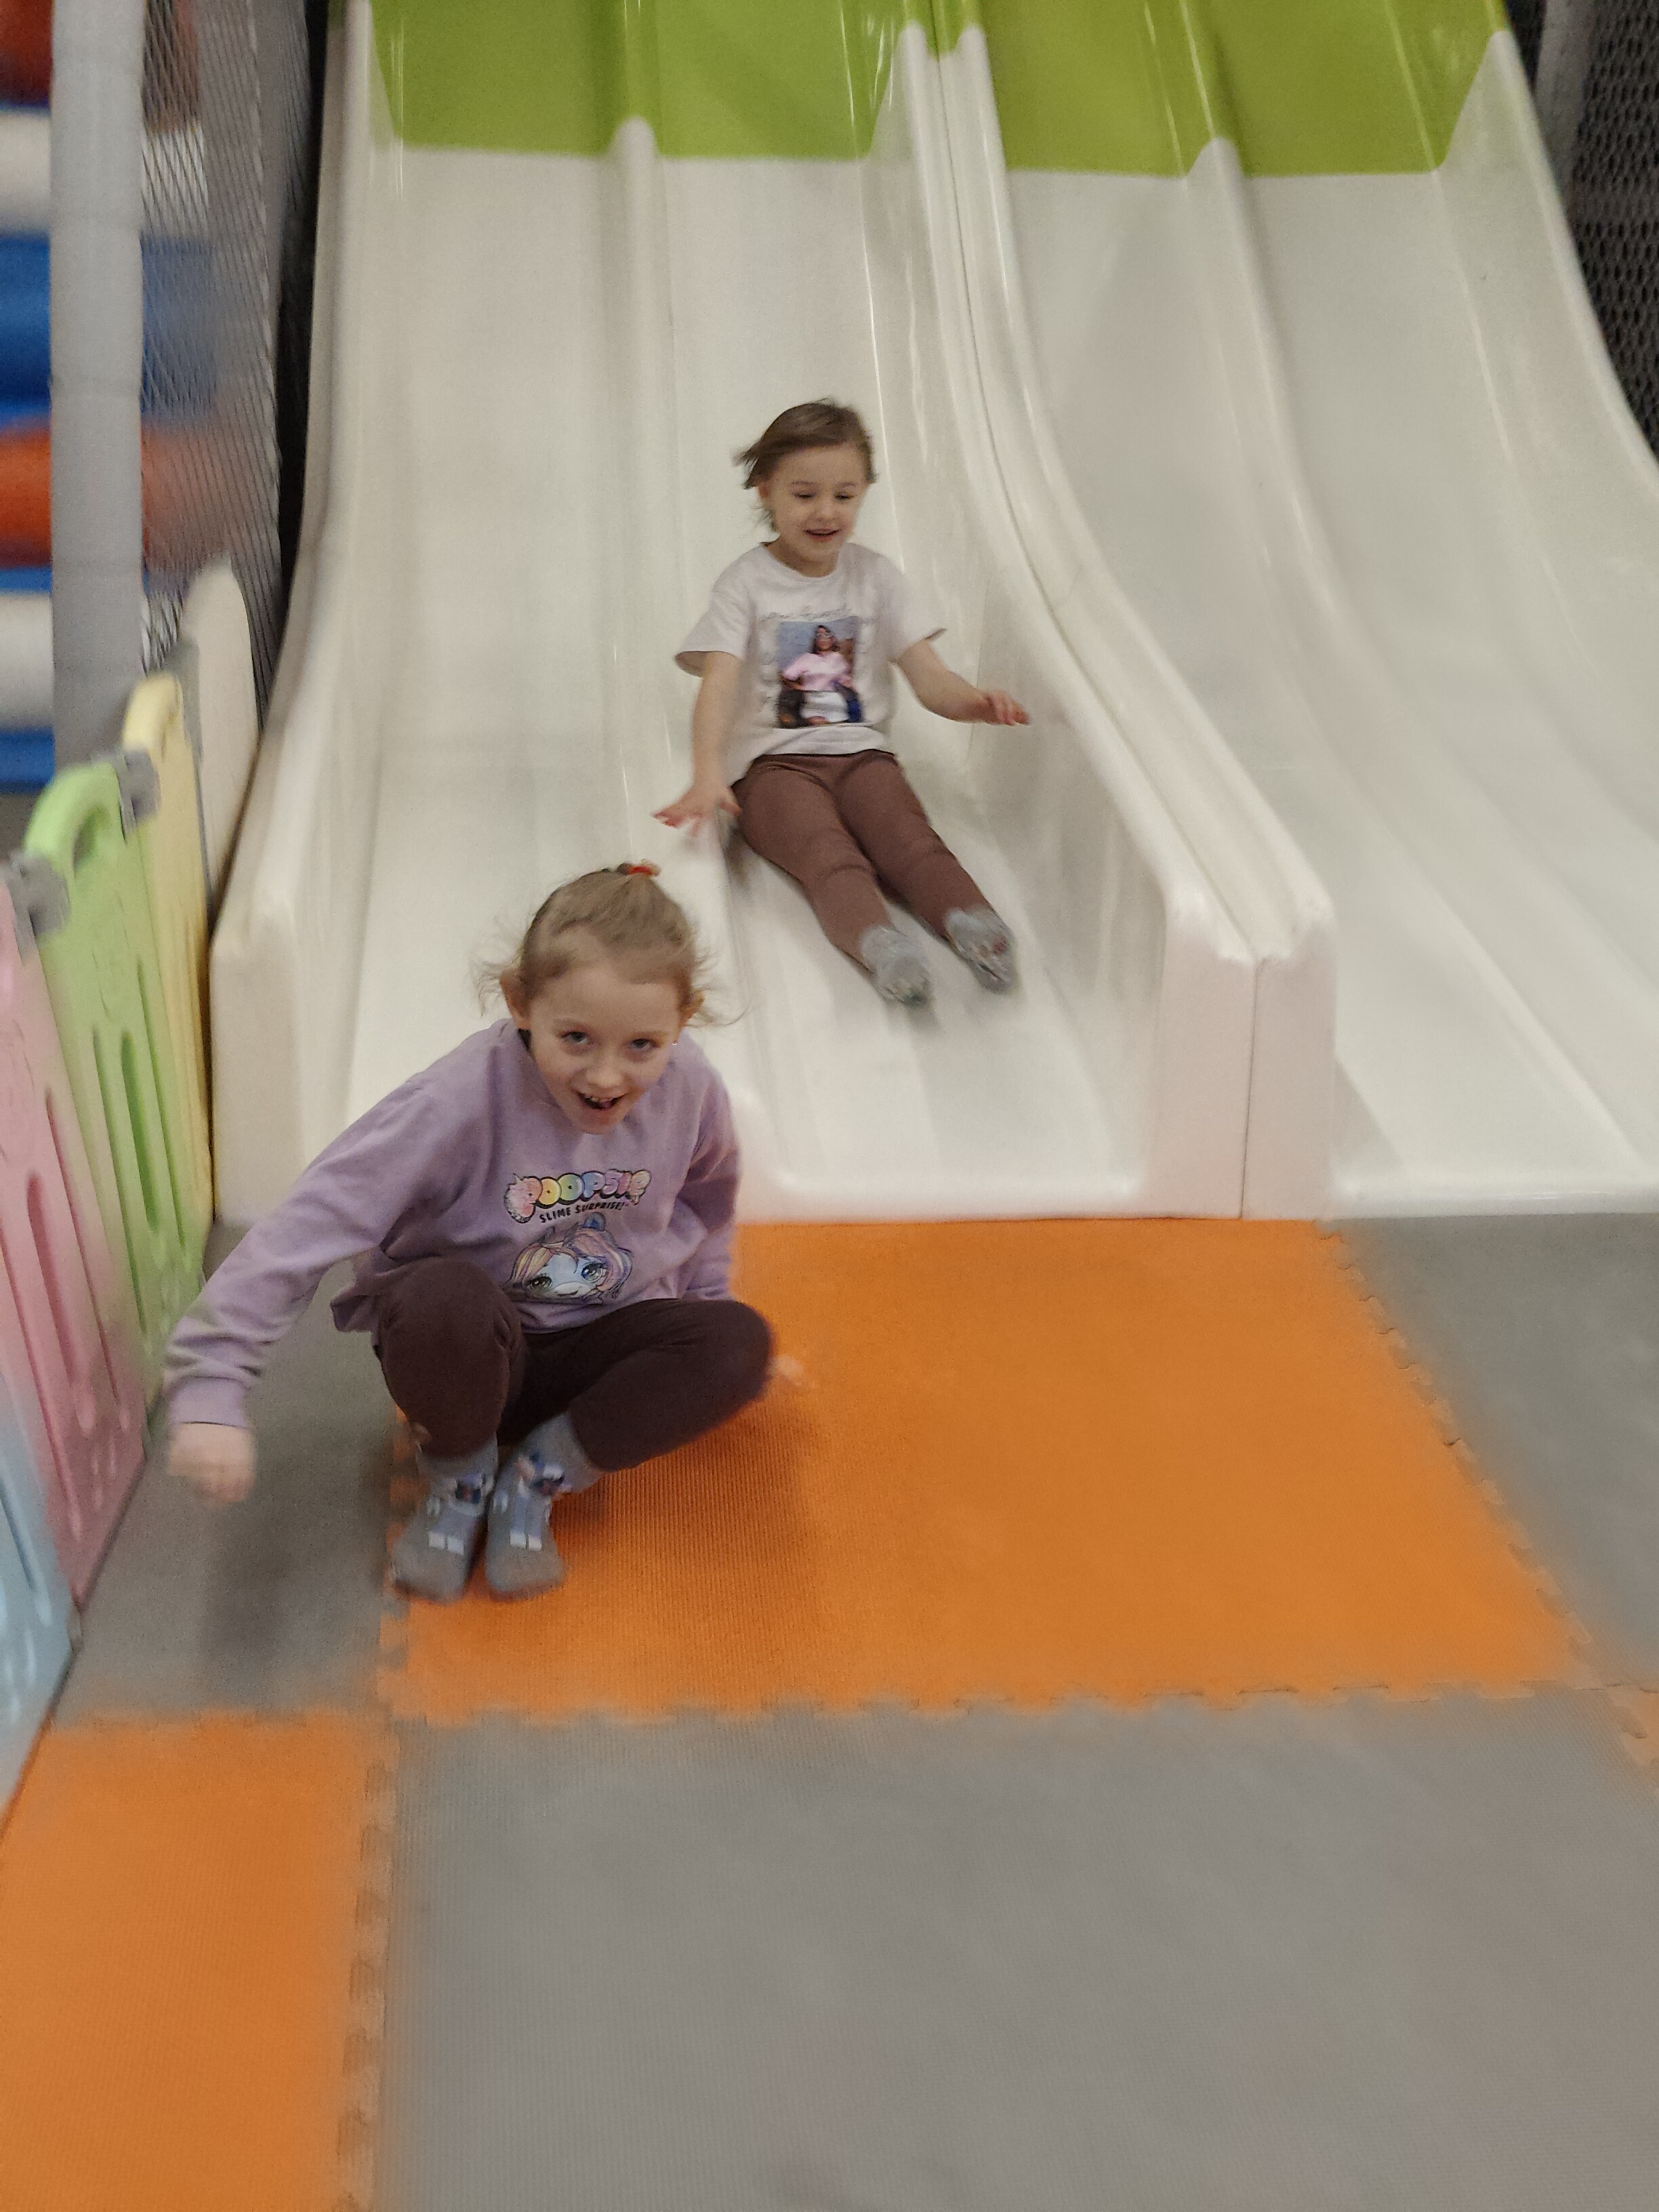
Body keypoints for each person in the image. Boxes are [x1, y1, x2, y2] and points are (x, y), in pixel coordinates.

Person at [164, 865, 771, 1603]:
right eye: (576, 1038)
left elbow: (708, 1200)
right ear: (520, 1002)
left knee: (741, 1342)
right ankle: (461, 1480)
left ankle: (536, 1477)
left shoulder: (692, 1087)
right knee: (436, 1298)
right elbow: (313, 1220)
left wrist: (701, 1313)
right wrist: (213, 1379)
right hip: (473, 1359)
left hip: (599, 1356)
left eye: (642, 1045)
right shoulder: (455, 1100)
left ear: (684, 1020)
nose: (607, 1075)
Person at [657, 397, 1029, 1007]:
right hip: (773, 769)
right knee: (828, 853)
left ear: (864, 494)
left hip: (863, 757)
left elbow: (929, 678)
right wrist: (706, 775)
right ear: (765, 491)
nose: (826, 511)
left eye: (845, 495)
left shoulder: (877, 578)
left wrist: (975, 702)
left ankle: (974, 923)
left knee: (910, 841)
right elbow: (718, 683)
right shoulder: (745, 584)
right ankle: (880, 945)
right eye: (804, 495)